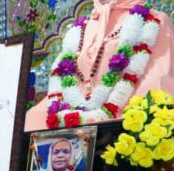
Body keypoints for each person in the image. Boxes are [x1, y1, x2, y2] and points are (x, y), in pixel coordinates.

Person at [25, 0, 174, 131]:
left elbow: (155, 82)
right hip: (71, 123)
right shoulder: (79, 29)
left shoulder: (153, 20)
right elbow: (61, 83)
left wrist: (109, 117)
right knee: (29, 123)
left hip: (122, 122)